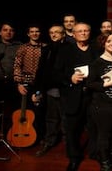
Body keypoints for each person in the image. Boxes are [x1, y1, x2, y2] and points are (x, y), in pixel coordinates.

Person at [53, 22, 99, 171]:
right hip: (73, 96)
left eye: (86, 30)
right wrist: (70, 79)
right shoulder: (65, 50)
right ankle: (74, 158)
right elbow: (57, 73)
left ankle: (94, 153)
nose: (84, 33)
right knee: (72, 130)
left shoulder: (96, 49)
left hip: (93, 96)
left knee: (94, 127)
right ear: (73, 34)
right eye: (80, 31)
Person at [86, 31, 112, 171]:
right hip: (103, 105)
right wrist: (106, 84)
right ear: (103, 43)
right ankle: (105, 162)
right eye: (108, 41)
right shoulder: (97, 62)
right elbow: (89, 84)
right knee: (104, 135)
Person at [33, 24, 67, 157]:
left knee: (65, 118)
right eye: (51, 32)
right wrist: (37, 91)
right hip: (50, 90)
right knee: (51, 118)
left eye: (57, 32)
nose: (53, 35)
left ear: (63, 34)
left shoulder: (69, 48)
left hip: (65, 90)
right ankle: (49, 141)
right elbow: (40, 71)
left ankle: (67, 144)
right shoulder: (46, 49)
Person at [12, 23, 46, 144]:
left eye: (37, 31)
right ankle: (24, 134)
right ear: (28, 34)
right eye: (32, 31)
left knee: (40, 111)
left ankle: (40, 136)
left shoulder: (45, 47)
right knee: (25, 111)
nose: (35, 33)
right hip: (26, 83)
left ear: (40, 33)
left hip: (41, 84)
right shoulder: (22, 48)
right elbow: (17, 66)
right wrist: (19, 83)